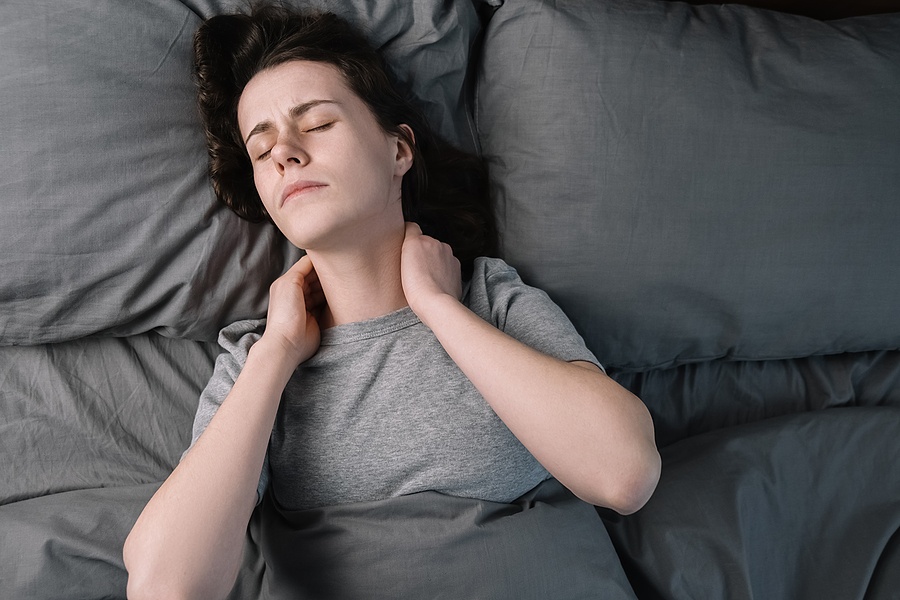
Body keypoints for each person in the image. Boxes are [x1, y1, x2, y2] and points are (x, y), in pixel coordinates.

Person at [123, 4, 660, 598]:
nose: (285, 153)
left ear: (399, 150)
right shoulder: (254, 360)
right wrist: (276, 353)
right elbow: (166, 588)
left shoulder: (492, 300)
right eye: (260, 148)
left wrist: (439, 308)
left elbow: (625, 473)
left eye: (318, 124)